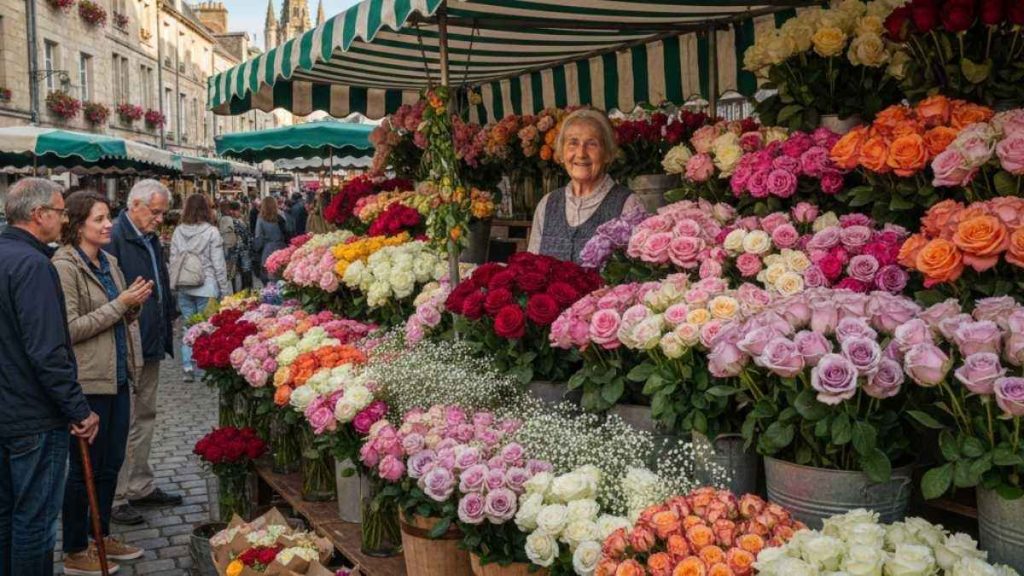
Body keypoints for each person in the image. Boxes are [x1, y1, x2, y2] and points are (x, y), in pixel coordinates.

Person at [0, 178, 99, 576]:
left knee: (7, 514)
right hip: (33, 415)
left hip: (9, 408)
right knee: (34, 521)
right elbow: (47, 350)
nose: (62, 219)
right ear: (39, 215)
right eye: (59, 212)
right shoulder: (34, 264)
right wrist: (78, 409)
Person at [53, 191, 152, 575]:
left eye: (108, 217)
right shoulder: (64, 267)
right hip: (89, 380)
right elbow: (70, 328)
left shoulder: (108, 261)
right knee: (84, 470)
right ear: (78, 226)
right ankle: (76, 548)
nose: (108, 224)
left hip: (119, 374)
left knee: (111, 464)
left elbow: (119, 314)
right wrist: (121, 304)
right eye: (99, 219)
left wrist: (134, 305)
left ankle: (101, 534)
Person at [108, 179, 181, 527]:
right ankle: (117, 496)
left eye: (162, 213)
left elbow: (159, 282)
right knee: (126, 420)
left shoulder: (149, 237)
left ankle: (140, 484)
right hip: (127, 342)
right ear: (134, 205)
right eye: (154, 212)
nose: (159, 219)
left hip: (151, 340)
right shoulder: (115, 238)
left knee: (146, 416)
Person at [527, 109, 647, 264]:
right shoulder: (547, 204)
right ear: (561, 154)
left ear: (608, 153)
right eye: (573, 143)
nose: (581, 153)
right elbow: (530, 267)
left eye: (592, 144)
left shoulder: (628, 204)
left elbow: (637, 276)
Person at [171, 194, 232, 382]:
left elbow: (173, 260)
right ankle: (205, 365)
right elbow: (218, 264)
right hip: (207, 286)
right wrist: (224, 290)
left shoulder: (178, 231)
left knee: (188, 326)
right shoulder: (211, 232)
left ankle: (188, 366)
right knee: (206, 327)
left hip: (184, 286)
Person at [254, 196, 289, 282]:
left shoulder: (261, 218)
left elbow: (258, 237)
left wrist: (255, 249)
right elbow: (288, 230)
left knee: (269, 278)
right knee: (282, 276)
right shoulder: (281, 215)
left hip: (267, 251)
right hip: (282, 248)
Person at [217, 200, 239, 289]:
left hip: (224, 246)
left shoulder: (220, 218)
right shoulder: (229, 219)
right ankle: (232, 289)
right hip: (230, 246)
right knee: (231, 270)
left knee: (228, 270)